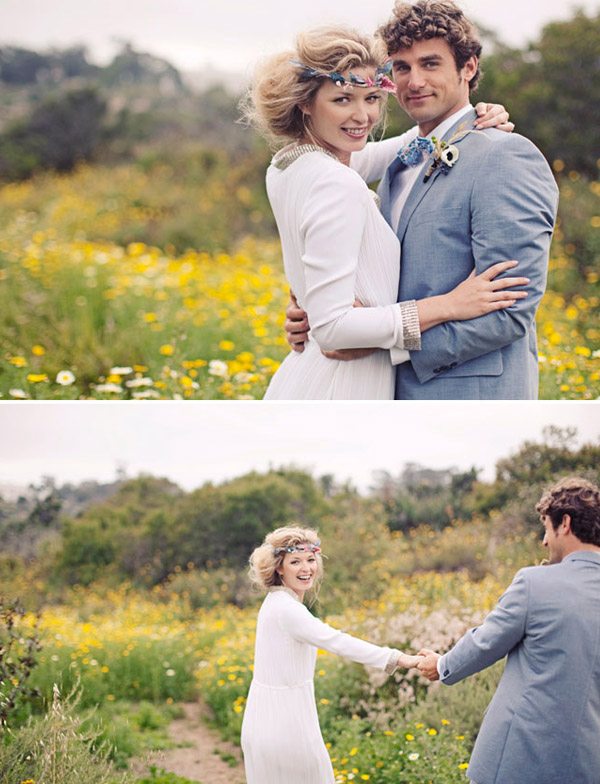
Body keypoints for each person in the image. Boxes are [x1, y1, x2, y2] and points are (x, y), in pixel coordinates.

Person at [286, 1, 560, 399]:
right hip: (381, 395)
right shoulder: (399, 162)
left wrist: (387, 346)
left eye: (430, 64)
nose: (414, 81)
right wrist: (318, 311)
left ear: (468, 68)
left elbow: (509, 310)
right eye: (401, 67)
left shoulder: (505, 156)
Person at [417, 477, 600, 784]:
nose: (544, 541)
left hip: (519, 758)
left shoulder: (535, 583)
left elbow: (486, 642)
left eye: (546, 527)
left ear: (564, 523)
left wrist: (441, 665)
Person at [240, 526, 421, 783]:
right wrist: (399, 658)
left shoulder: (276, 602)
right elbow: (338, 641)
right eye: (295, 562)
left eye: (310, 560)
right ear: (279, 567)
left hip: (265, 719)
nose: (306, 569)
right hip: (285, 724)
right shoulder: (288, 610)